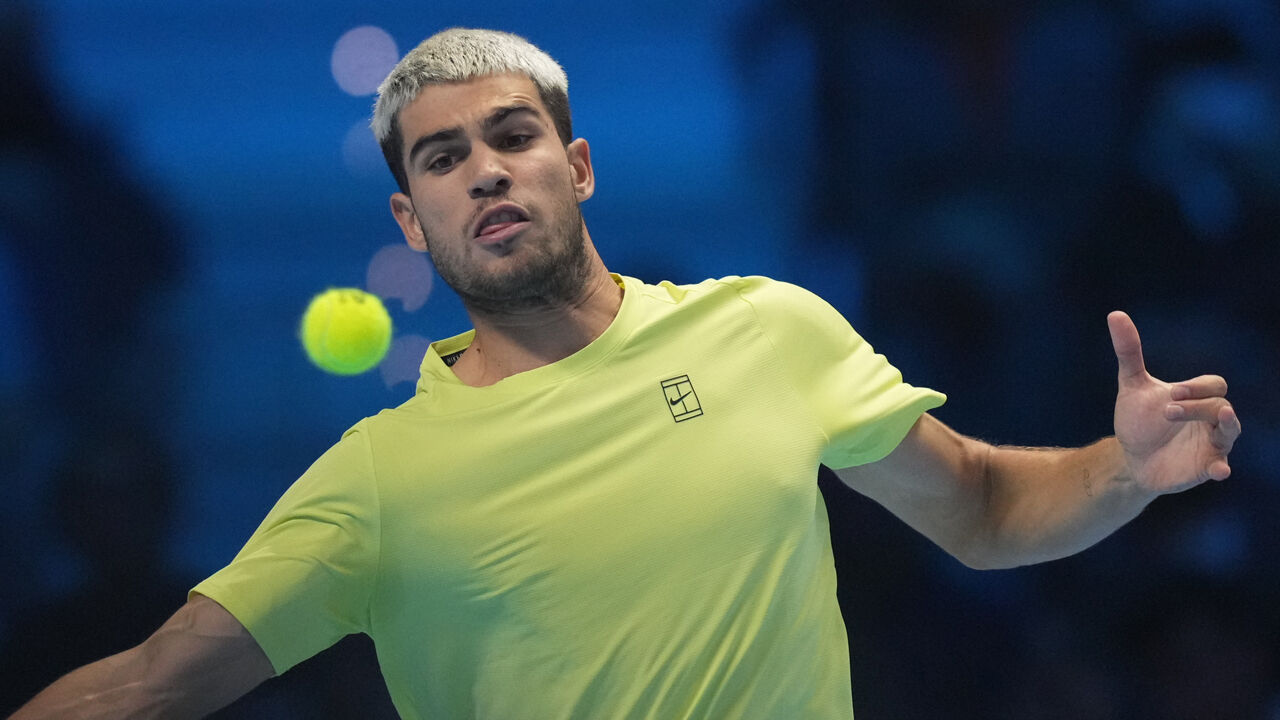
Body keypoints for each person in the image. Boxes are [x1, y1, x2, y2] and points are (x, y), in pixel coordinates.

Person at [11, 28, 1240, 720]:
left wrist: (1119, 469)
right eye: (444, 159)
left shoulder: (765, 330)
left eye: (512, 136)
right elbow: (150, 682)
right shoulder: (377, 480)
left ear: (579, 166)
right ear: (411, 219)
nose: (485, 171)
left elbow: (974, 506)